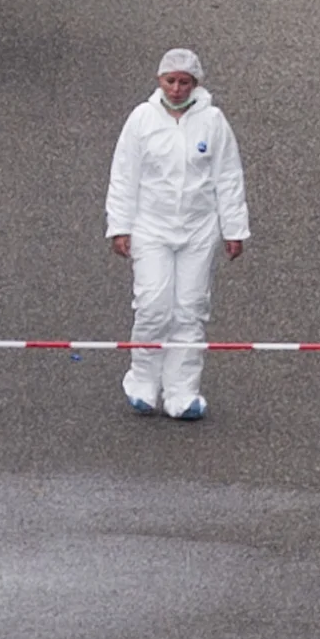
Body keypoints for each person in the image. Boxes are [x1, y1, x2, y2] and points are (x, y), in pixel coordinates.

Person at [105, 47, 250, 421]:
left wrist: (234, 229)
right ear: (159, 80)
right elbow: (124, 175)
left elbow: (228, 177)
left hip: (198, 231)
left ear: (195, 84)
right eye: (170, 81)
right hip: (150, 227)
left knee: (189, 309)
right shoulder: (141, 120)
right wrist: (119, 226)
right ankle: (142, 383)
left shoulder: (213, 122)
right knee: (153, 306)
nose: (176, 88)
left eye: (184, 82)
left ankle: (183, 392)